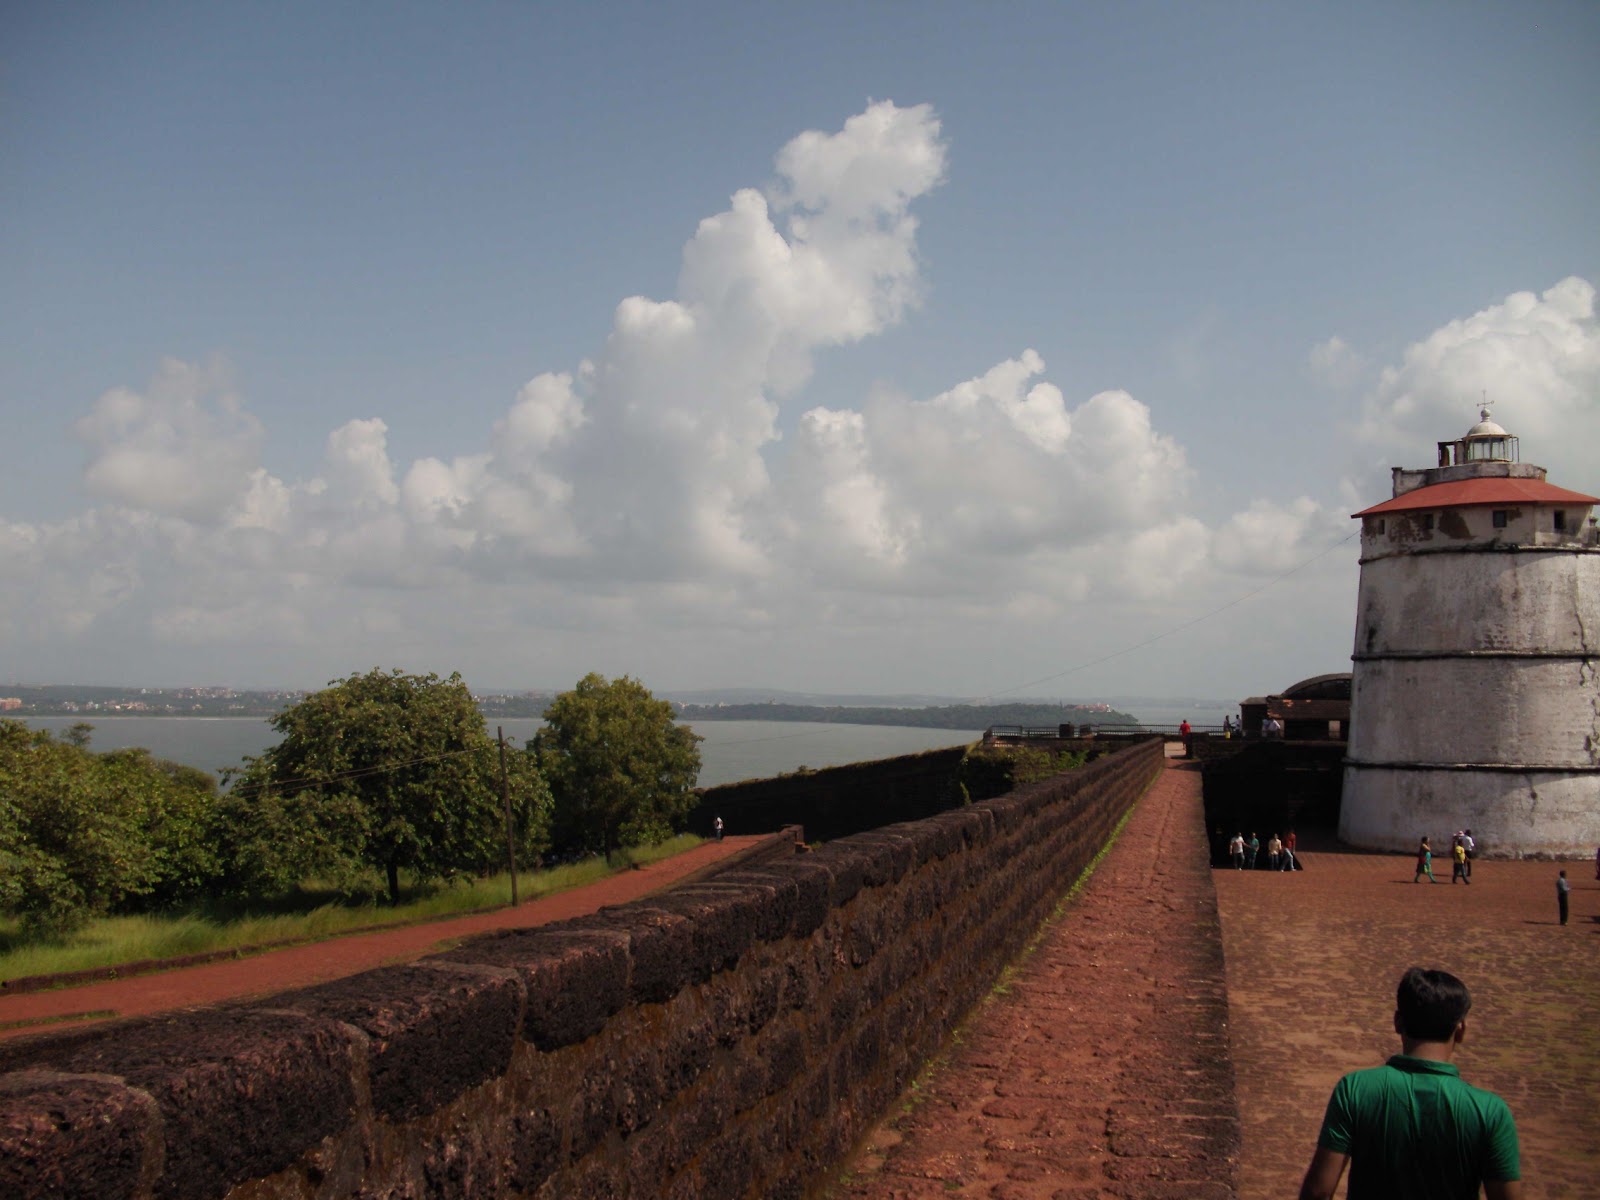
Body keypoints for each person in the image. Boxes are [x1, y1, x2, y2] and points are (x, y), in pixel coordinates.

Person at [1298, 967, 1521, 1200]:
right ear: (1461, 1030)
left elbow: (1319, 1192)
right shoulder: (1490, 1111)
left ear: (1397, 1022)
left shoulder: (1354, 1090)